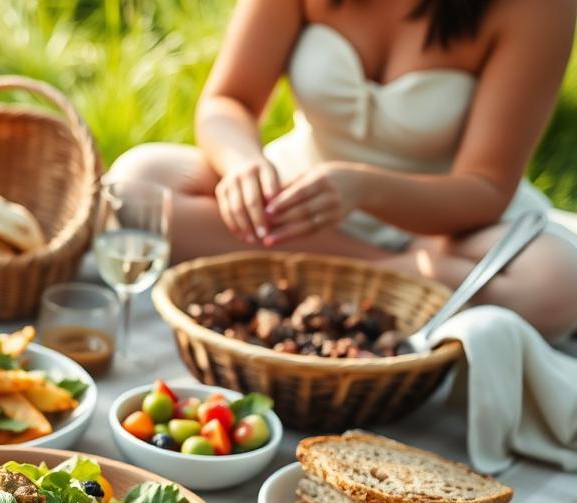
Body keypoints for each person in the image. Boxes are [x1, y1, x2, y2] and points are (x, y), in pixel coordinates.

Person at [107, 0, 577, 337]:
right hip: (301, 191)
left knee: (558, 284)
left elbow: (486, 186)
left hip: (445, 224)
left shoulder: (539, 8)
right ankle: (391, 279)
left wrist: (363, 189)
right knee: (136, 183)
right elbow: (229, 100)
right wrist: (242, 164)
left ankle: (319, 277)